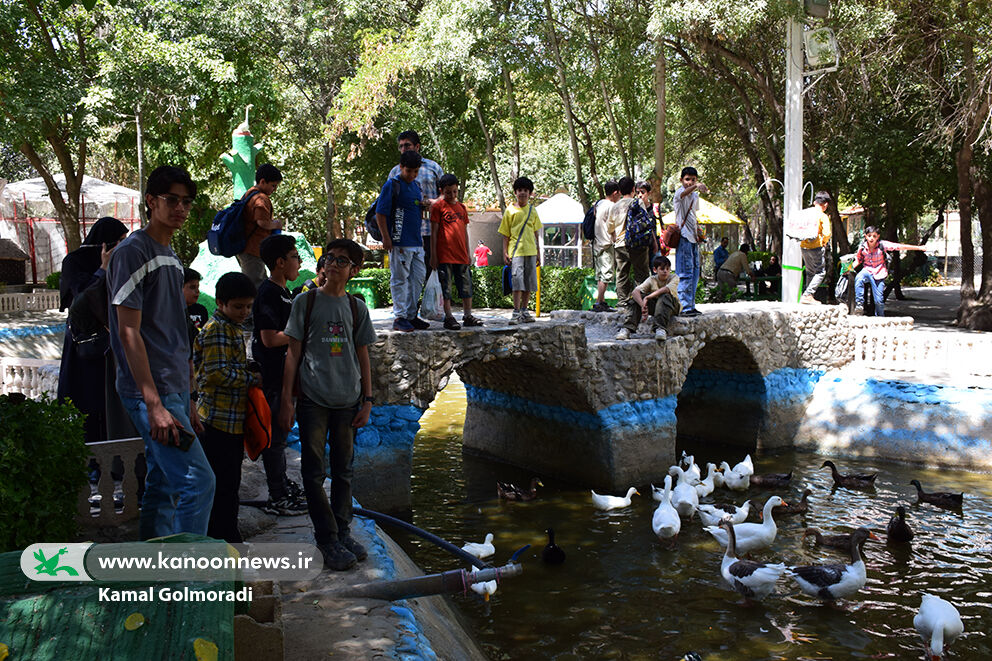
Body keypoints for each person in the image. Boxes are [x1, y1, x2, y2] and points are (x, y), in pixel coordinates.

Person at [108, 165, 215, 540]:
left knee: (165, 482)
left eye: (187, 202)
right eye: (172, 200)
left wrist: (186, 399)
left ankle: (154, 573)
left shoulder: (170, 256)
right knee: (198, 482)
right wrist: (154, 404)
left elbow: (174, 334)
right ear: (151, 201)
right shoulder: (132, 252)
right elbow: (127, 330)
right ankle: (192, 582)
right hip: (148, 392)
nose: (181, 208)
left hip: (173, 390)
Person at [279, 239, 377, 571]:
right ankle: (327, 538)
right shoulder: (304, 303)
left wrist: (367, 400)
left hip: (347, 401)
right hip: (313, 401)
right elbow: (292, 354)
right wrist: (286, 400)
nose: (333, 264)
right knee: (313, 472)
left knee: (344, 471)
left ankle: (343, 531)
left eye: (342, 260)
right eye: (330, 258)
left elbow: (363, 354)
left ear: (354, 270)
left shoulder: (356, 308)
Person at [192, 272, 258, 543]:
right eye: (238, 307)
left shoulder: (231, 326)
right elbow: (218, 373)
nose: (244, 312)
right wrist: (251, 379)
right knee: (223, 484)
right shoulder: (217, 329)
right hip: (217, 421)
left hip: (230, 418)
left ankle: (226, 533)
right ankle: (224, 537)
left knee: (229, 482)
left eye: (248, 306)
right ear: (220, 303)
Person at [58, 216, 129, 442]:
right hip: (84, 345)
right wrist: (102, 269)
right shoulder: (74, 262)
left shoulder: (123, 264)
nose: (122, 246)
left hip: (110, 344)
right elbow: (81, 299)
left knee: (108, 401)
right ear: (104, 243)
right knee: (85, 399)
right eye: (118, 241)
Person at [252, 234, 309, 516]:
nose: (299, 262)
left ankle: (282, 484)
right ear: (280, 262)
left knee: (282, 435)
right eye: (295, 257)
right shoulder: (269, 293)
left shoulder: (285, 292)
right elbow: (269, 339)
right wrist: (299, 334)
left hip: (287, 376)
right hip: (274, 379)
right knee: (275, 438)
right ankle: (277, 495)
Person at [377, 150, 429, 332]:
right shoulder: (392, 185)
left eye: (415, 171)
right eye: (409, 171)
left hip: (416, 242)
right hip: (399, 241)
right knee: (400, 279)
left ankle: (411, 315)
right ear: (401, 168)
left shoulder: (416, 186)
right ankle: (399, 316)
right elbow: (380, 213)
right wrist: (386, 237)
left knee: (417, 278)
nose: (412, 175)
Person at [430, 174, 484, 330]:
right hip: (444, 254)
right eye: (448, 192)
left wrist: (468, 252)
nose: (452, 195)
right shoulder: (438, 207)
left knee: (466, 285)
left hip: (461, 254)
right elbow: (434, 232)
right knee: (446, 286)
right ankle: (449, 316)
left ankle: (467, 315)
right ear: (442, 191)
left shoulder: (462, 207)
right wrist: (433, 255)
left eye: (454, 191)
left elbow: (464, 232)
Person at [388, 130, 445, 275]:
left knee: (434, 274)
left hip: (431, 231)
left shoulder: (433, 167)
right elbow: (388, 203)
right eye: (400, 146)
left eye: (407, 145)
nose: (403, 149)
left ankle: (434, 299)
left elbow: (447, 193)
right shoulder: (395, 172)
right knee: (406, 277)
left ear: (417, 147)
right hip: (404, 234)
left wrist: (435, 202)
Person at [849, 226, 927, 316]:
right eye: (869, 236)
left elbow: (899, 246)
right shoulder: (862, 247)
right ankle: (859, 305)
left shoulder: (882, 245)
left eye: (874, 236)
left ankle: (880, 318)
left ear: (878, 236)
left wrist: (919, 248)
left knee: (878, 301)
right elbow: (858, 260)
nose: (871, 238)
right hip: (867, 270)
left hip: (879, 273)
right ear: (866, 236)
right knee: (859, 278)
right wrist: (848, 269)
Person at [498, 176, 542, 325]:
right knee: (517, 283)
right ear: (515, 193)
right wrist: (504, 252)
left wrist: (539, 252)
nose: (523, 193)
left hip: (530, 251)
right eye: (520, 190)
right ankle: (516, 312)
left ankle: (525, 310)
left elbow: (536, 233)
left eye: (526, 190)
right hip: (515, 252)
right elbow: (505, 234)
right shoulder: (510, 211)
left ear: (530, 193)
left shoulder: (533, 211)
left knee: (529, 283)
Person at [607, 176, 650, 312]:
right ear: (633, 189)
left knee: (622, 274)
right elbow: (645, 222)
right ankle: (643, 302)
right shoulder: (638, 203)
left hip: (620, 245)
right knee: (641, 274)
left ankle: (623, 303)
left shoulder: (615, 207)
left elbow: (609, 228)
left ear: (619, 190)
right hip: (638, 245)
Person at [237, 163, 284, 288]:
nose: (274, 190)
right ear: (262, 181)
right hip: (252, 249)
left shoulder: (248, 194)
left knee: (261, 281)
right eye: (273, 185)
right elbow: (262, 222)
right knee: (254, 286)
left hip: (247, 248)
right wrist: (276, 224)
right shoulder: (260, 198)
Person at [616, 254, 680, 342]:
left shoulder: (674, 277)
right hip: (656, 307)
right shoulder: (652, 279)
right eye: (662, 269)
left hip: (671, 306)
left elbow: (666, 289)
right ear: (655, 270)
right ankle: (627, 328)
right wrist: (643, 305)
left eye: (667, 269)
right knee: (636, 299)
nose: (665, 271)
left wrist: (647, 297)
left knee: (664, 296)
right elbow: (635, 292)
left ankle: (660, 329)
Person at [672, 167, 707, 316]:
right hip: (684, 237)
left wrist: (699, 232)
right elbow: (684, 193)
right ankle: (684, 306)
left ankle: (691, 305)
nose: (690, 182)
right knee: (685, 272)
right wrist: (696, 187)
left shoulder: (695, 197)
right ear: (681, 180)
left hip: (693, 238)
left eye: (693, 180)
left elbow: (693, 215)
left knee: (694, 272)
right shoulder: (679, 193)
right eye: (687, 179)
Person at [591, 180, 621, 312]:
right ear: (615, 193)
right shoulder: (611, 206)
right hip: (606, 243)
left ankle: (601, 301)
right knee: (606, 274)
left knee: (600, 274)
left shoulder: (599, 204)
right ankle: (599, 302)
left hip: (597, 243)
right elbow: (612, 226)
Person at [799, 191, 832, 304]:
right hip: (816, 246)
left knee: (810, 272)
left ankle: (808, 296)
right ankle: (808, 294)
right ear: (825, 204)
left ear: (814, 202)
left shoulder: (806, 214)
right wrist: (823, 242)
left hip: (803, 246)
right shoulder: (822, 216)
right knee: (820, 272)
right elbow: (827, 233)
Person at [635, 180, 662, 262]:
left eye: (642, 192)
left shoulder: (655, 208)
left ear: (649, 193)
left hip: (655, 245)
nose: (640, 195)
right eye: (637, 192)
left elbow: (660, 226)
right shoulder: (634, 210)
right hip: (641, 246)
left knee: (656, 270)